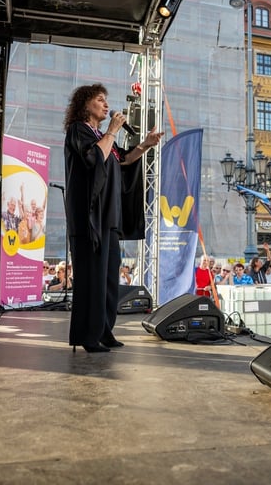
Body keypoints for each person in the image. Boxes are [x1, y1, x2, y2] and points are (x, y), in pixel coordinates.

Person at [64, 83, 163, 353]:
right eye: (100, 100)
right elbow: (94, 157)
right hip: (88, 219)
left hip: (108, 219)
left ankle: (104, 330)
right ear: (86, 105)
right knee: (91, 278)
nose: (106, 105)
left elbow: (123, 160)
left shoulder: (101, 134)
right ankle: (88, 335)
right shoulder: (79, 131)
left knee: (108, 279)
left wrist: (145, 145)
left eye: (106, 100)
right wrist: (111, 131)